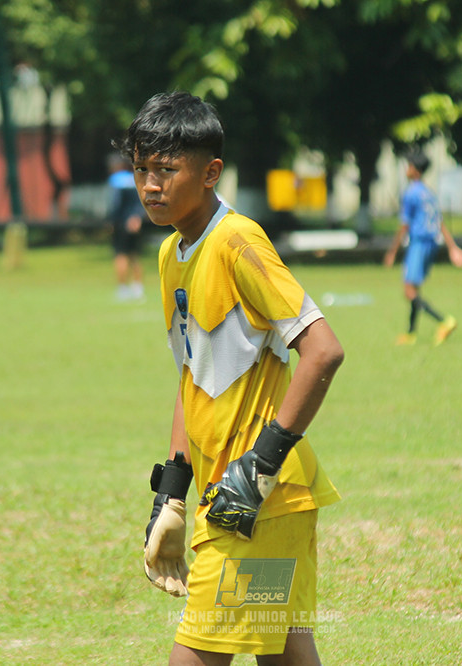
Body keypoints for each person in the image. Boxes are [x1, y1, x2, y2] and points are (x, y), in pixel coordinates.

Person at [119, 91, 344, 665]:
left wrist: (258, 467)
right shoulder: (172, 254)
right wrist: (172, 491)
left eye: (166, 170)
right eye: (141, 169)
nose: (150, 185)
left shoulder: (238, 243)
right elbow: (192, 374)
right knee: (283, 653)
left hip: (255, 502)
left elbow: (322, 351)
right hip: (245, 500)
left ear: (210, 172)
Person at [383, 150, 462, 346]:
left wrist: (392, 251)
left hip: (419, 243)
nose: (407, 169)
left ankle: (444, 321)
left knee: (409, 291)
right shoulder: (429, 193)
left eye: (409, 165)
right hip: (432, 244)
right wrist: (452, 248)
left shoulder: (411, 193)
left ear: (415, 169)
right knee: (414, 288)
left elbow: (404, 225)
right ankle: (411, 334)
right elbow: (440, 222)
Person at [106, 152, 147, 301]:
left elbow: (115, 204)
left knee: (120, 255)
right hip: (135, 222)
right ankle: (138, 287)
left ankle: (122, 288)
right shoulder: (134, 179)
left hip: (121, 223)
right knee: (134, 255)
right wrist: (137, 217)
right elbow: (141, 202)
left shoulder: (115, 180)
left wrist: (111, 221)